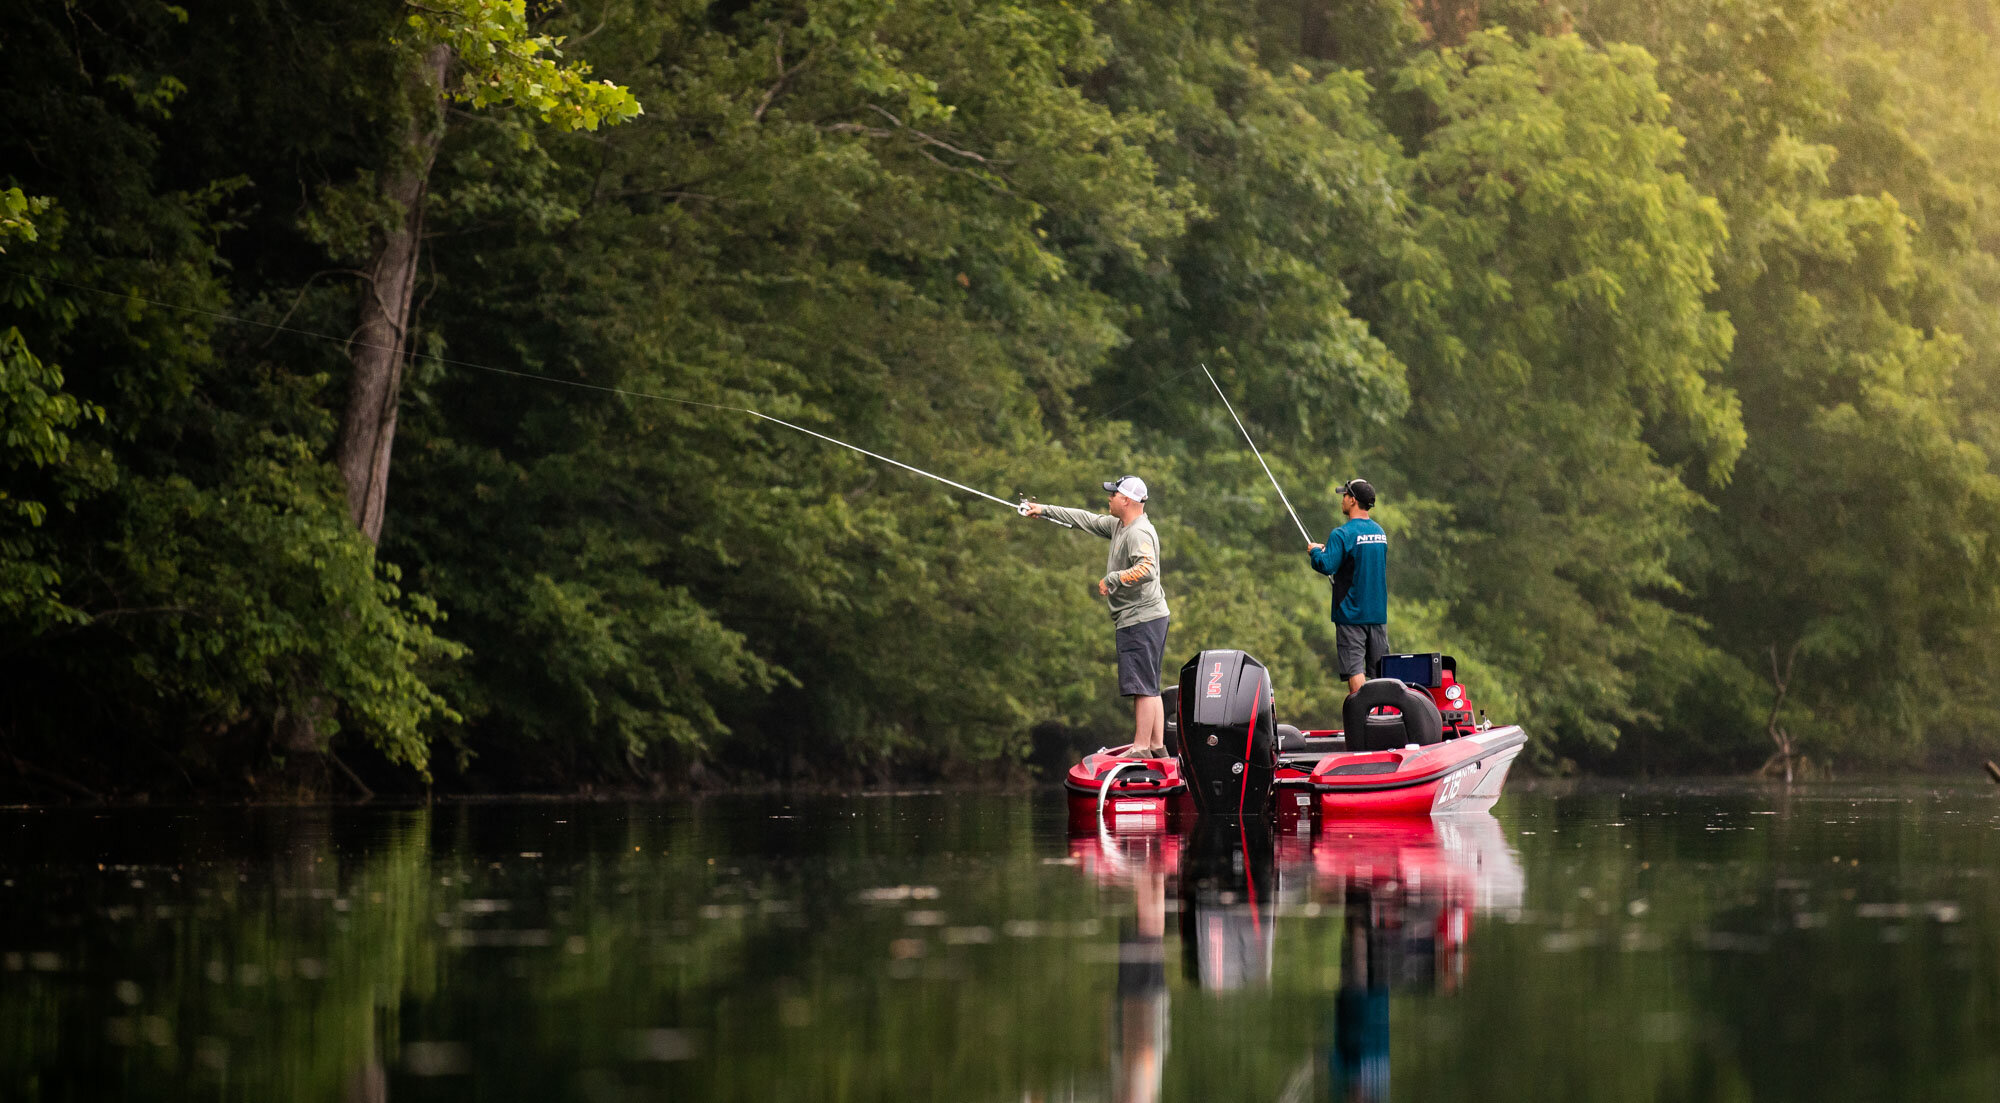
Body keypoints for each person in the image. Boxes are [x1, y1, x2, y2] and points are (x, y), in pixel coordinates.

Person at [1025, 476, 1171, 758]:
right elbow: (1085, 519)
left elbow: (1147, 569)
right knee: (1150, 685)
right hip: (1148, 617)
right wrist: (1043, 510)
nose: (1109, 498)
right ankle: (1157, 748)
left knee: (1142, 686)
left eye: (1113, 494)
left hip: (1141, 618)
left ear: (1126, 500)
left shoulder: (1138, 532)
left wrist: (1112, 579)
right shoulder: (1119, 525)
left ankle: (1141, 748)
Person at [1309, 478, 1389, 695]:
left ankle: (1364, 714)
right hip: (1377, 614)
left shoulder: (1342, 534)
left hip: (1351, 615)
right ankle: (1383, 712)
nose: (1342, 499)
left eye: (1345, 495)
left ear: (1353, 500)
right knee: (1381, 673)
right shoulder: (1380, 533)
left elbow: (1327, 565)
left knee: (1355, 670)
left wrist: (1315, 552)